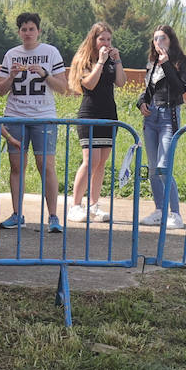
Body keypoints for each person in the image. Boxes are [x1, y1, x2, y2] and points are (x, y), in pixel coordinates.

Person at [0, 12, 68, 233]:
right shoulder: (11, 54)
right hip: (15, 115)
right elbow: (0, 90)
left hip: (43, 117)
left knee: (45, 166)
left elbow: (63, 88)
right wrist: (12, 77)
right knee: (17, 166)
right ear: (19, 32)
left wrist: (45, 74)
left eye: (31, 29)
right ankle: (18, 214)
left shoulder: (50, 52)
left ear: (38, 31)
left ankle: (53, 216)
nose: (27, 33)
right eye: (24, 29)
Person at [66, 22, 125, 224]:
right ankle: (75, 206)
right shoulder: (85, 59)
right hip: (89, 114)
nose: (106, 43)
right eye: (102, 39)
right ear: (93, 40)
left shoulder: (110, 59)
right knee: (90, 161)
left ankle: (93, 205)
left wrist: (117, 61)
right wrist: (100, 62)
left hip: (109, 114)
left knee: (101, 163)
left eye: (109, 39)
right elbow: (89, 84)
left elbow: (121, 82)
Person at [136, 24, 186, 230]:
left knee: (163, 167)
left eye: (163, 38)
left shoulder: (180, 62)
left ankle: (175, 213)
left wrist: (167, 63)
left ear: (171, 40)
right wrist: (141, 102)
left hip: (169, 115)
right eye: (156, 39)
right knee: (152, 168)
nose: (159, 42)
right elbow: (148, 89)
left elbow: (180, 88)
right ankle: (160, 210)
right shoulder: (152, 63)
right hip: (151, 118)